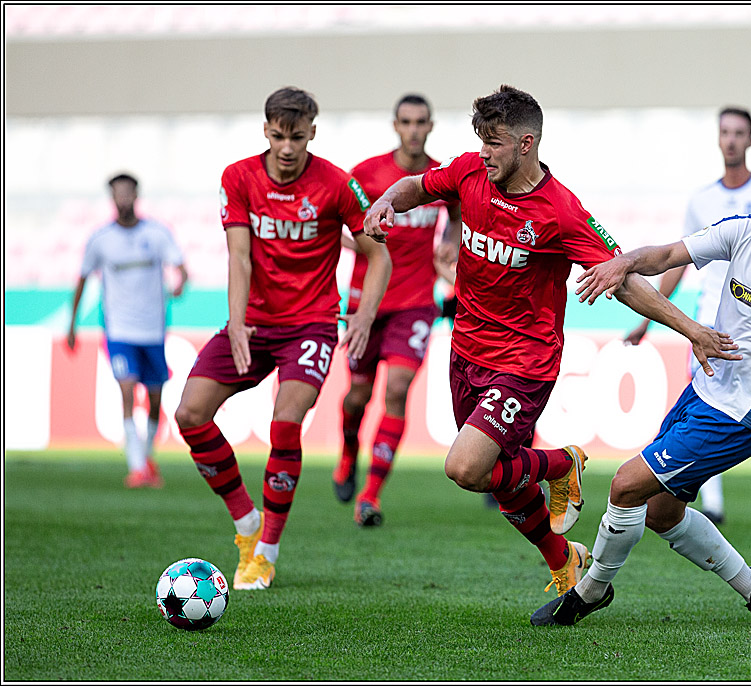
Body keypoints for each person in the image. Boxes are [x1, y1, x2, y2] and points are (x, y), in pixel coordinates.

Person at [362, 85, 738, 598]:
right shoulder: (470, 171)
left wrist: (691, 330)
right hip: (466, 350)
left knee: (465, 467)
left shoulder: (559, 211)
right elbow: (416, 187)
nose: (484, 151)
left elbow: (622, 278)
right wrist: (386, 200)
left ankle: (564, 463)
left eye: (494, 142)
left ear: (526, 143)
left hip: (524, 360)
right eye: (481, 140)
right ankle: (564, 560)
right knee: (501, 477)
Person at [532, 159, 751, 628]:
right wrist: (622, 261)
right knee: (662, 514)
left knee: (625, 485)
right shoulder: (745, 231)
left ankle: (587, 592)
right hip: (702, 391)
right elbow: (666, 256)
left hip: (743, 414)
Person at [174, 87, 391, 591]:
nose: (287, 148)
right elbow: (240, 257)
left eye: (297, 136)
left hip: (311, 324)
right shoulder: (239, 177)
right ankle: (245, 522)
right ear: (265, 131)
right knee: (189, 415)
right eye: (277, 136)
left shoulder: (338, 184)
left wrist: (362, 316)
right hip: (252, 321)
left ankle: (265, 552)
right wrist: (235, 321)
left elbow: (377, 254)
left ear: (312, 131)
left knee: (285, 422)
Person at [624, 107, 751, 526]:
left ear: (750, 139)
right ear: (718, 137)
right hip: (709, 323)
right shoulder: (701, 200)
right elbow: (681, 260)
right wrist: (647, 320)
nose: (730, 139)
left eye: (738, 133)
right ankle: (713, 507)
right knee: (705, 404)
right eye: (724, 132)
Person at [332, 93, 461, 527]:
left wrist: (450, 238)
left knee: (398, 390)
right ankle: (348, 452)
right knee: (358, 396)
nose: (413, 129)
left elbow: (458, 211)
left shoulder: (439, 178)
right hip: (364, 301)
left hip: (416, 302)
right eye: (405, 121)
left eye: (421, 121)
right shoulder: (366, 175)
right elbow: (336, 222)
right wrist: (360, 241)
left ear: (430, 125)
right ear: (395, 126)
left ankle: (370, 496)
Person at [67, 173, 188, 489]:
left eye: (127, 193)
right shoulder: (100, 239)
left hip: (153, 330)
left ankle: (147, 458)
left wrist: (179, 284)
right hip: (119, 329)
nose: (123, 200)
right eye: (117, 194)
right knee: (126, 389)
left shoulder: (157, 234)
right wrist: (72, 325)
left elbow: (181, 268)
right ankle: (137, 467)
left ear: (136, 196)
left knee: (155, 397)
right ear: (112, 198)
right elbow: (81, 280)